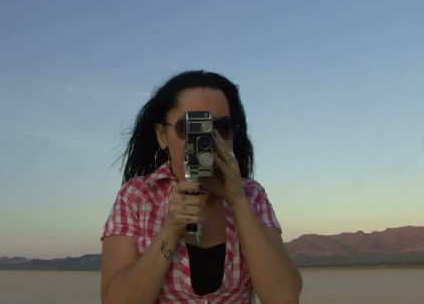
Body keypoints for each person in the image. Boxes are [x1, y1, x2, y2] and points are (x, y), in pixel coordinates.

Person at [100, 70, 302, 304]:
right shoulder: (138, 198)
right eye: (191, 127)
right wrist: (171, 229)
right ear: (162, 135)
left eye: (221, 127)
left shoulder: (252, 195)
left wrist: (237, 201)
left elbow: (284, 298)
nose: (207, 140)